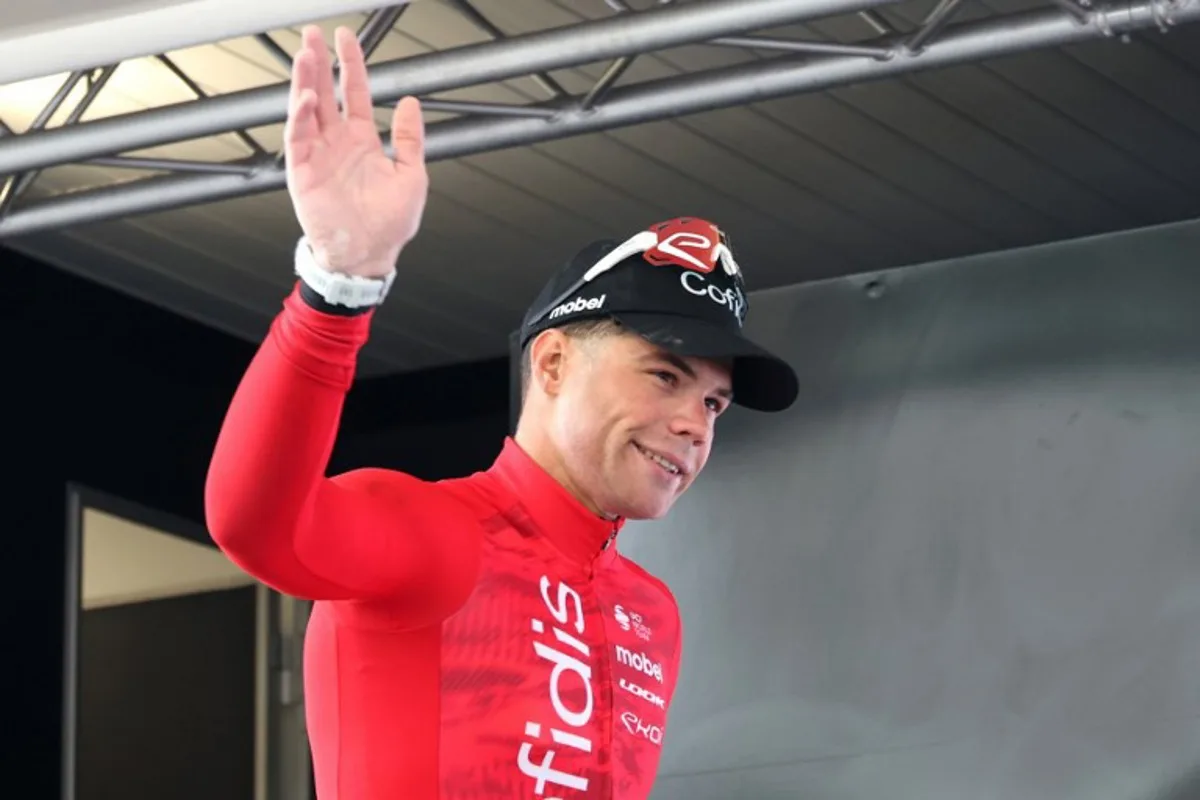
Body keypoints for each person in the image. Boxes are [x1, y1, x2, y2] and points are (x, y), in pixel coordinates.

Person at [204, 23, 799, 800]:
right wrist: (338, 285)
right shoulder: (433, 532)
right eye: (664, 375)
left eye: (715, 402)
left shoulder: (652, 612)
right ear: (552, 363)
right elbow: (253, 525)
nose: (696, 423)